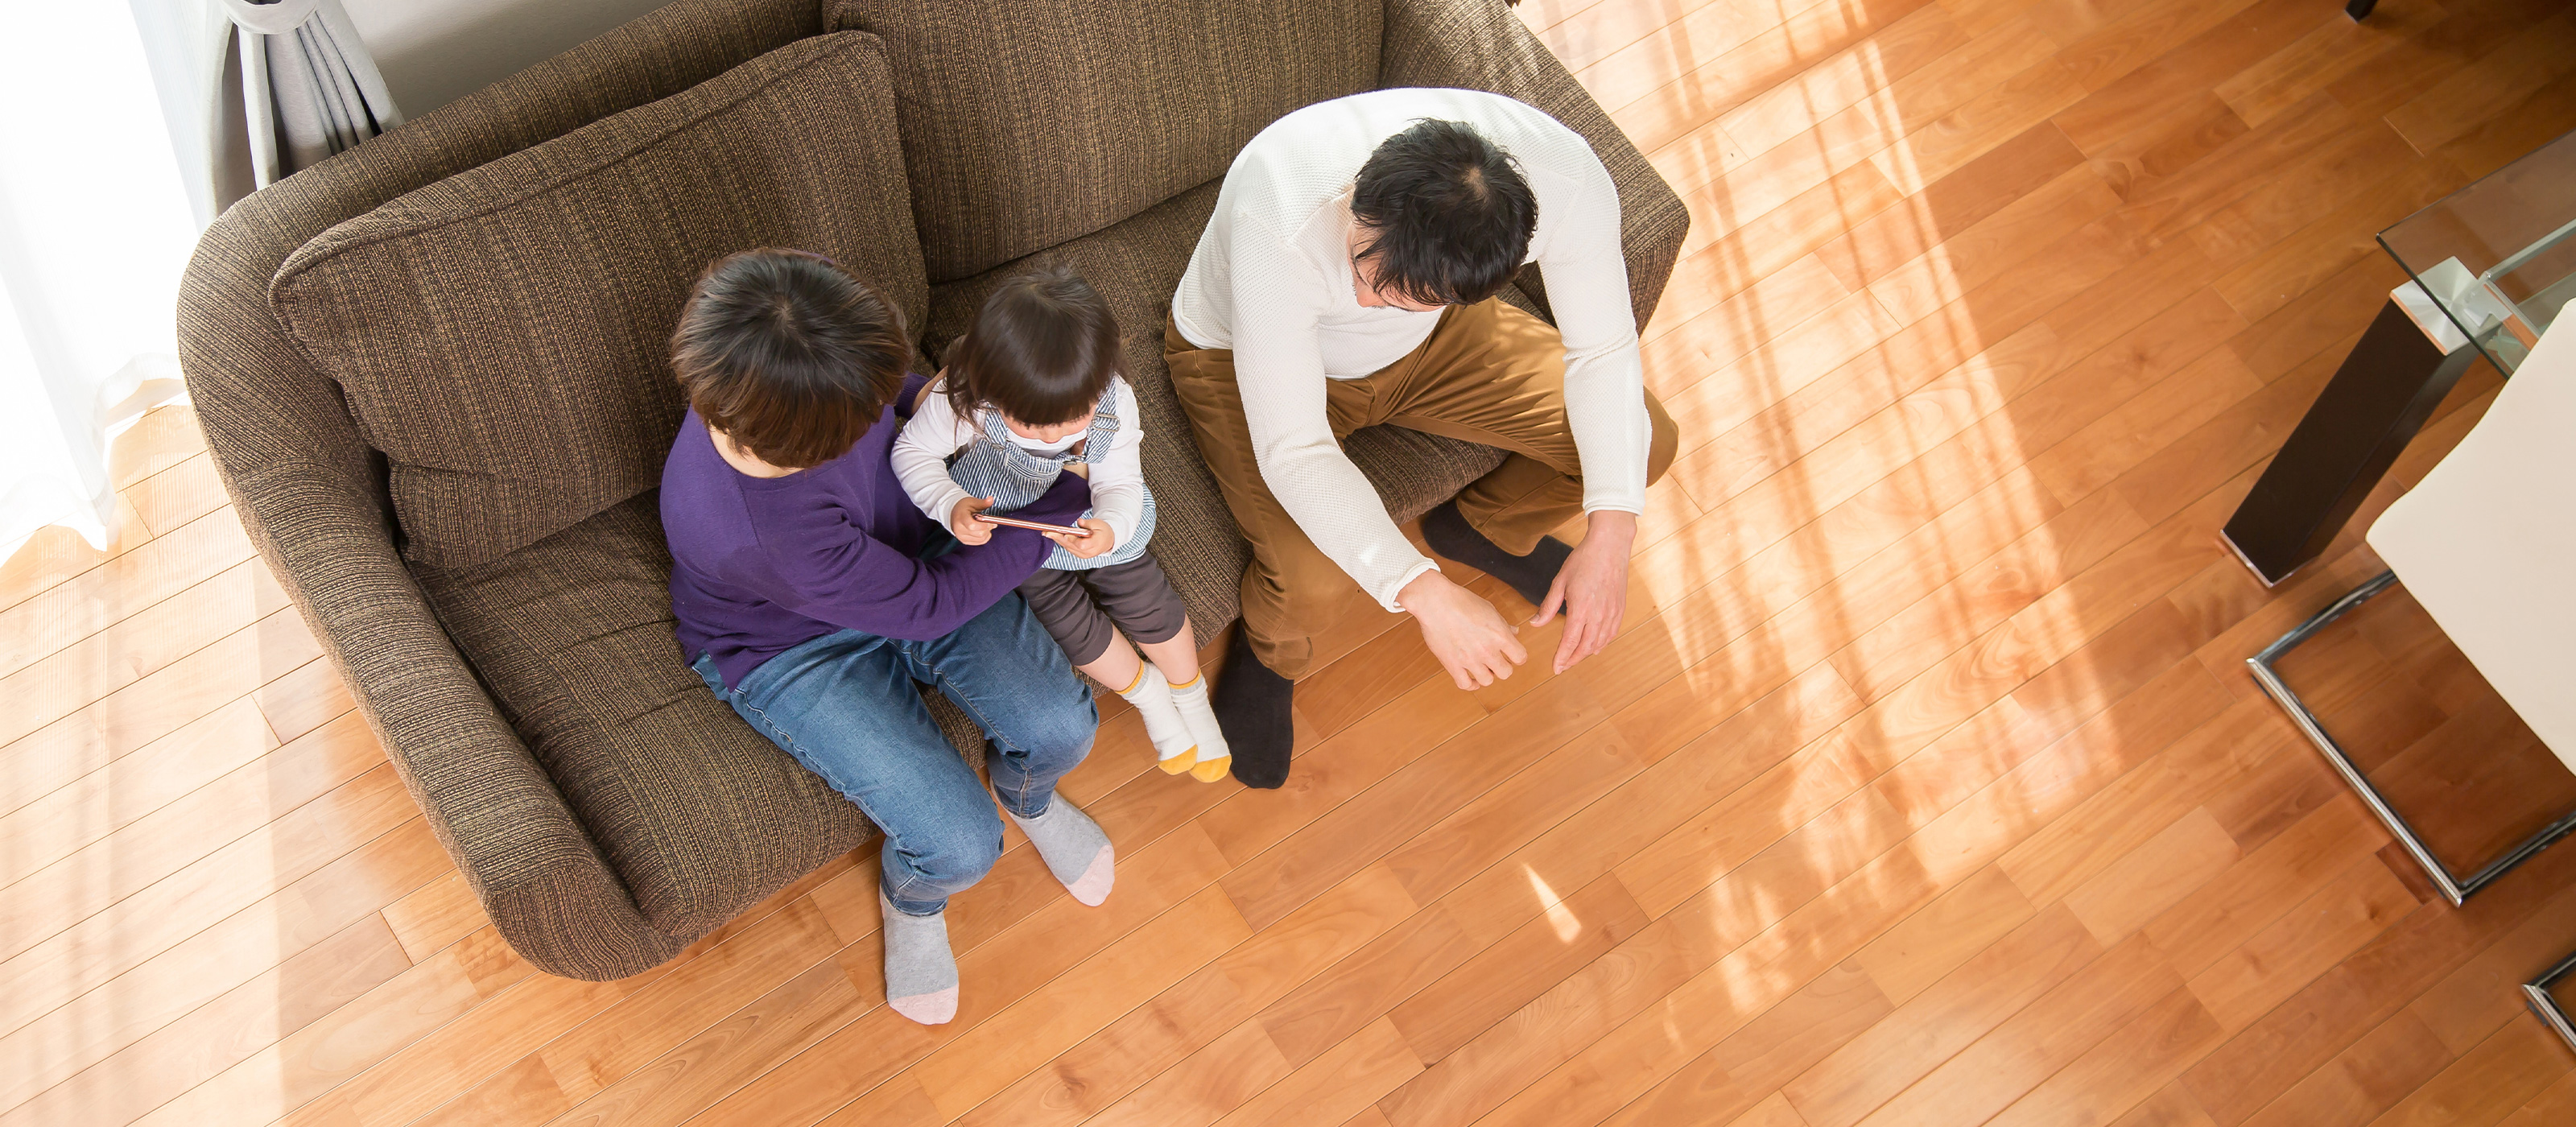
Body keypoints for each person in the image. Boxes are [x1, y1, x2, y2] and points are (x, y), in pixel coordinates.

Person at [1167, 89, 1681, 788]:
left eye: (1395, 292)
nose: (1363, 302)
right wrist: (1424, 591)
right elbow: (1294, 448)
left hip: (1432, 347)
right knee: (1314, 581)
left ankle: (1481, 526)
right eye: (1361, 269)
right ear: (1358, 199)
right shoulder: (1281, 204)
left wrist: (1614, 531)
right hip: (1247, 355)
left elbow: (1604, 352)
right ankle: (1272, 653)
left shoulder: (1567, 179)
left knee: (1642, 447)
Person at [658, 249, 1113, 1026]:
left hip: (907, 550)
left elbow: (891, 399)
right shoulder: (757, 531)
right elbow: (931, 607)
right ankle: (913, 898)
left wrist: (942, 402)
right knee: (960, 848)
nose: (879, 412)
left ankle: (1027, 796)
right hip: (788, 646)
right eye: (863, 413)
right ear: (812, 439)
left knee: (1062, 728)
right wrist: (1058, 507)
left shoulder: (779, 361)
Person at [893, 264, 1232, 782]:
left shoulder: (1113, 399)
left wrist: (1113, 528)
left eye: (1071, 420)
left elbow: (1118, 481)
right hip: (1012, 520)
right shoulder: (966, 395)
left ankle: (1191, 693)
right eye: (1031, 424)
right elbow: (912, 451)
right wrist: (949, 502)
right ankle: (1148, 696)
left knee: (1140, 587)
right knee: (1059, 613)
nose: (1053, 439)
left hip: (1092, 511)